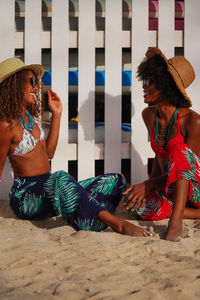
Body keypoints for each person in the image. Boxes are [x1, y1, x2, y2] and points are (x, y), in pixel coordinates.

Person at [0, 57, 153, 237]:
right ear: (14, 84)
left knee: (115, 181)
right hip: (27, 196)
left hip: (52, 190)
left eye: (37, 82)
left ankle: (86, 215)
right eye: (32, 81)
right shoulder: (5, 125)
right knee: (61, 178)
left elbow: (48, 153)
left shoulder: (31, 118)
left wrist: (57, 114)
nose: (36, 87)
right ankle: (117, 224)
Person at [123, 47, 200, 241]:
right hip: (173, 187)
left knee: (181, 150)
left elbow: (188, 170)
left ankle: (175, 221)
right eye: (144, 80)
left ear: (166, 86)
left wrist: (149, 185)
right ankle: (187, 212)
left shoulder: (193, 122)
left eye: (149, 81)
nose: (144, 86)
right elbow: (160, 157)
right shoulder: (149, 115)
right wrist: (150, 188)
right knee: (136, 205)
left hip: (195, 187)